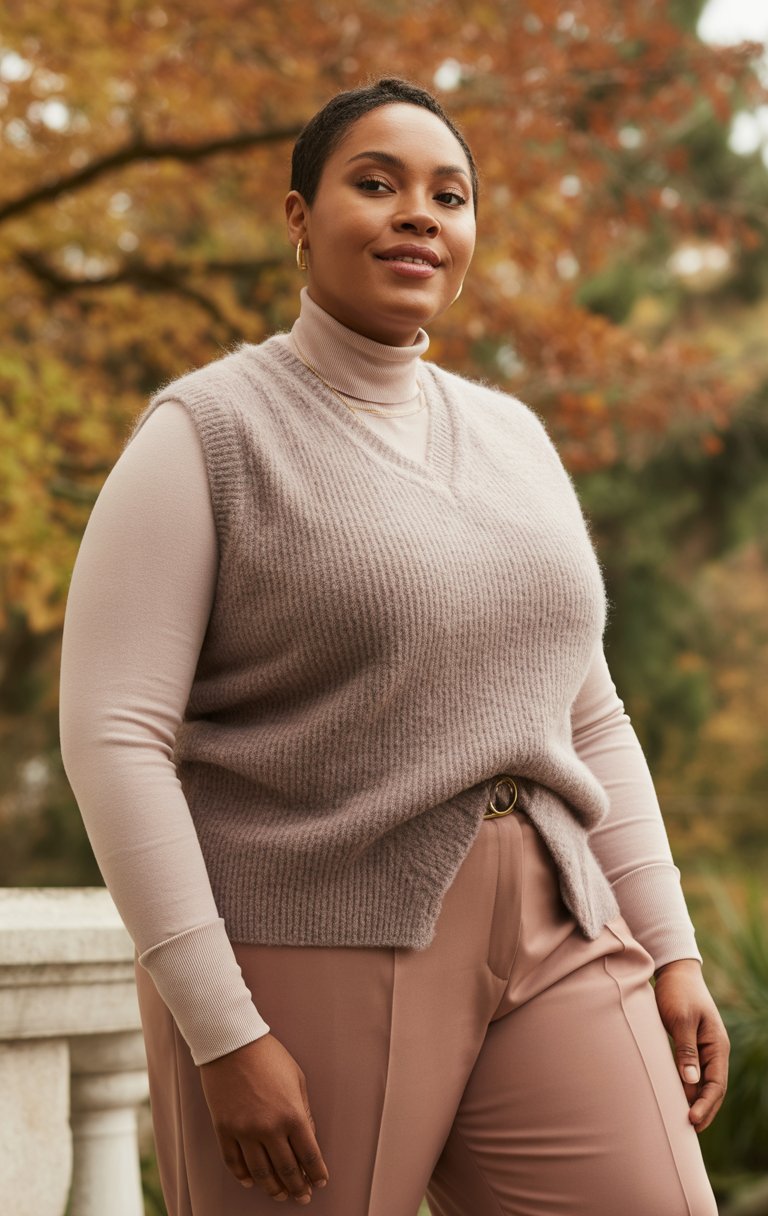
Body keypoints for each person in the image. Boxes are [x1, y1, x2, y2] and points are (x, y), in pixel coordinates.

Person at [59, 76, 729, 1215]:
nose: (419, 213)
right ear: (299, 217)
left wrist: (669, 944)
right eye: (376, 184)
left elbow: (589, 716)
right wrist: (222, 1030)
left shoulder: (514, 437)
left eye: (449, 195)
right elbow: (114, 738)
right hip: (303, 943)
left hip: (561, 925)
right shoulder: (207, 434)